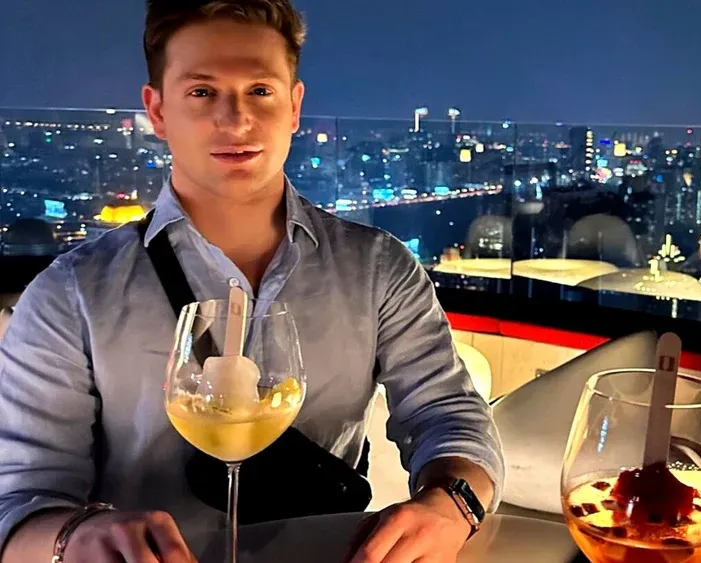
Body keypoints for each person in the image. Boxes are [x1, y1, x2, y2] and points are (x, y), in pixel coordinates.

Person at [0, 1, 504, 562]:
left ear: (294, 107)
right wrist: (75, 538)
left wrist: (450, 505)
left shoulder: (377, 269)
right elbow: (18, 500)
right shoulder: (71, 293)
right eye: (202, 92)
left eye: (260, 91)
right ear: (158, 111)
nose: (237, 120)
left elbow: (449, 414)